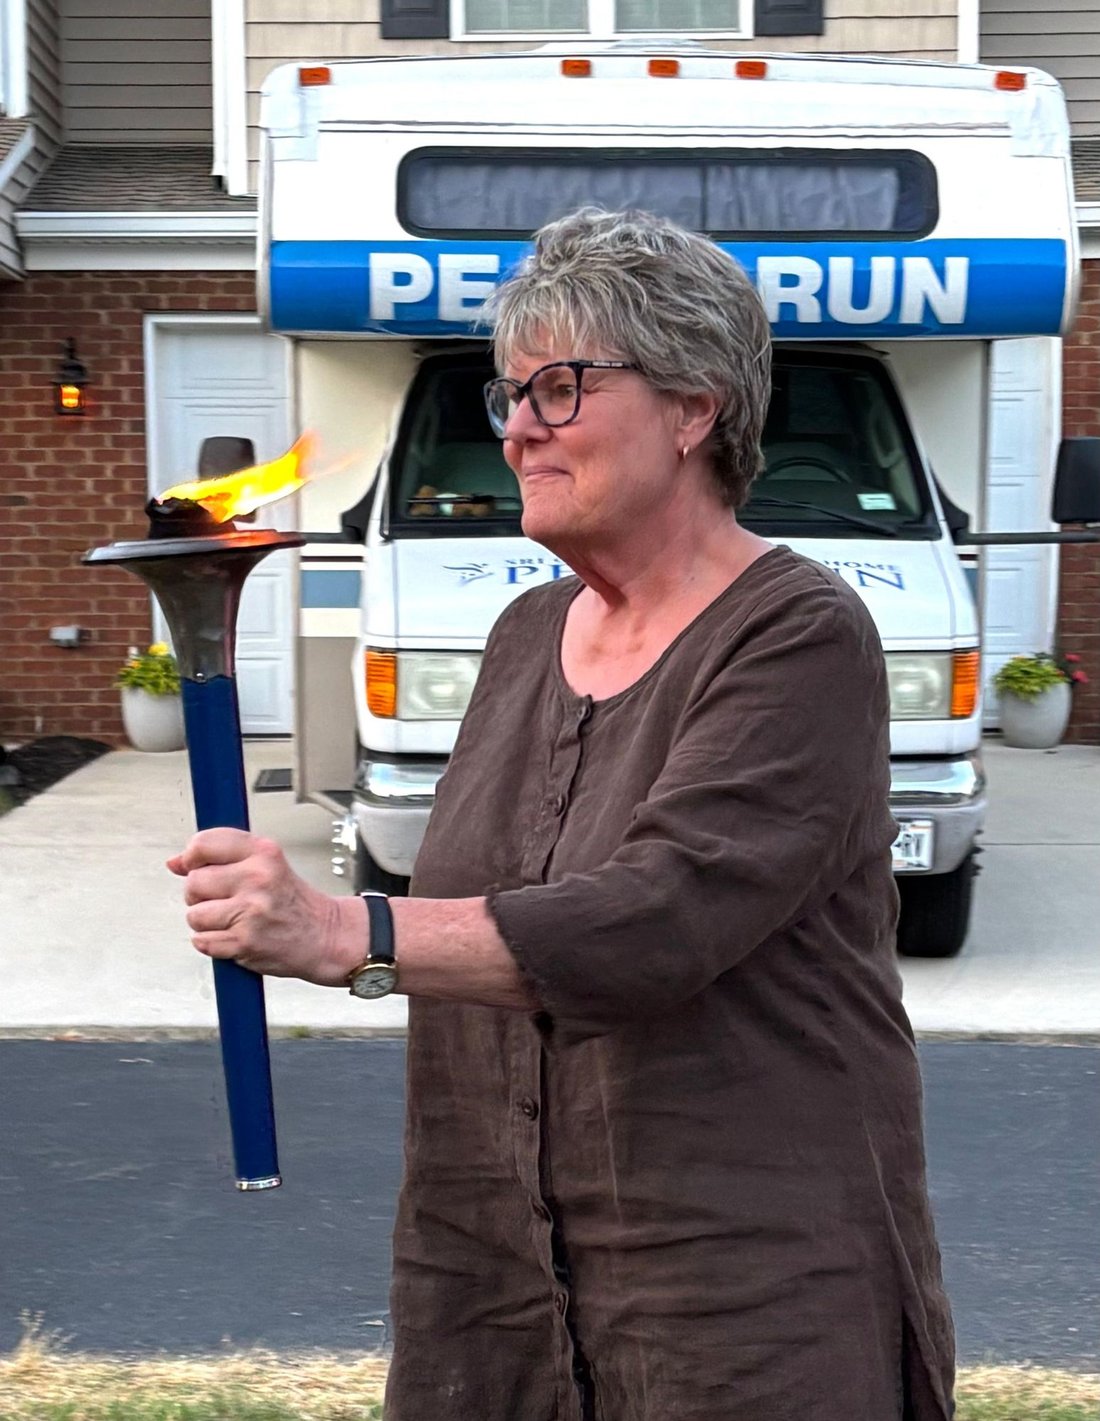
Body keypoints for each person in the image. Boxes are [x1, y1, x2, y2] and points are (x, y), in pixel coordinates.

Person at [168, 208, 955, 1420]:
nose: (518, 427)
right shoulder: (523, 633)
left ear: (692, 408)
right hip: (494, 1275)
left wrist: (343, 930)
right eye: (512, 392)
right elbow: (483, 897)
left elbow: (654, 919)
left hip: (737, 1288)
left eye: (561, 387)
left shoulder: (796, 634)